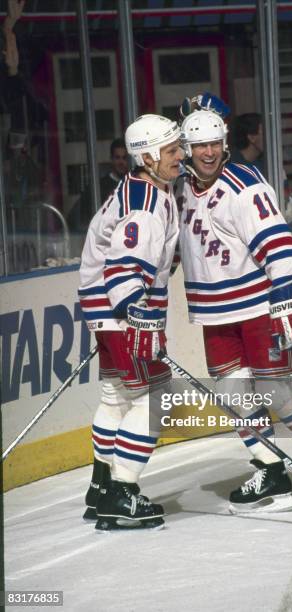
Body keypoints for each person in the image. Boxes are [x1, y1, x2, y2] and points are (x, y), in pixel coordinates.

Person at [174, 108, 292, 514]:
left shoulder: (244, 184)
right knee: (232, 394)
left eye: (214, 144)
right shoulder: (179, 189)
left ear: (224, 143)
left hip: (258, 308)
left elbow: (279, 244)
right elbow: (175, 248)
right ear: (188, 149)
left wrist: (287, 299)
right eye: (200, 146)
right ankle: (272, 471)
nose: (209, 152)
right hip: (215, 314)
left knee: (278, 391)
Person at [78, 114, 182, 530]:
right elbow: (123, 269)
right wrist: (139, 319)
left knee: (115, 395)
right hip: (125, 311)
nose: (181, 156)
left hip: (104, 308)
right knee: (155, 397)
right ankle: (122, 492)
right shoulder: (147, 204)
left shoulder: (142, 188)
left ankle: (101, 488)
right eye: (172, 151)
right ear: (149, 156)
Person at [230, 112, 292, 236]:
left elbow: (287, 202)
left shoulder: (272, 166)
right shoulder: (228, 170)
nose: (272, 137)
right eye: (266, 132)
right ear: (252, 137)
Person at [68, 138, 129, 232]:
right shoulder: (97, 187)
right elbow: (82, 218)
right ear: (111, 159)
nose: (121, 162)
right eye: (117, 158)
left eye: (124, 158)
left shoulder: (133, 185)